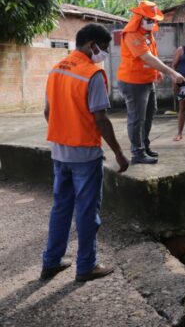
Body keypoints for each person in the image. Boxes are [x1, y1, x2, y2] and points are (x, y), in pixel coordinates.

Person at [41, 23, 129, 282]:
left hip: (59, 151)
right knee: (87, 212)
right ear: (92, 45)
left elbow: (48, 111)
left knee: (60, 208)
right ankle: (86, 266)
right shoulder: (92, 74)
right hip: (85, 155)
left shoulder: (56, 69)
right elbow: (101, 119)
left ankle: (51, 262)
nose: (104, 54)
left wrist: (63, 133)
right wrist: (119, 153)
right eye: (104, 48)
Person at [117, 0, 185, 164]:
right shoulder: (132, 34)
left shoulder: (147, 33)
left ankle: (144, 146)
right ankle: (137, 153)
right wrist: (171, 72)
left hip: (147, 80)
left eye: (154, 20)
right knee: (136, 118)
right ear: (139, 18)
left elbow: (152, 55)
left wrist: (156, 72)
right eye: (149, 19)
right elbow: (146, 57)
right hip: (133, 82)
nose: (153, 23)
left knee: (149, 113)